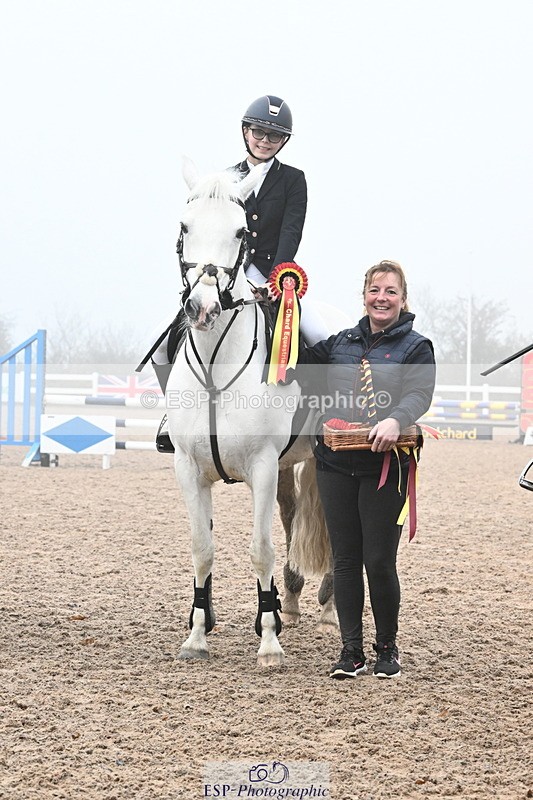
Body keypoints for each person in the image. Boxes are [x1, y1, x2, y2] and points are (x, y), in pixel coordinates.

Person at [149, 94, 328, 451]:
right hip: (226, 279)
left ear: (284, 141)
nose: (265, 140)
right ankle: (174, 414)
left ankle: (321, 417)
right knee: (159, 344)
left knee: (321, 335)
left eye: (274, 136)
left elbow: (291, 231)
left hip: (274, 279)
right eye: (258, 132)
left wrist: (276, 279)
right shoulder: (223, 180)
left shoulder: (293, 180)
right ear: (245, 131)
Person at [298, 260, 436, 679]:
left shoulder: (417, 347)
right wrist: (280, 312)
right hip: (334, 464)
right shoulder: (340, 342)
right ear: (364, 296)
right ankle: (351, 651)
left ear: (402, 299)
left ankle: (387, 649)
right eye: (375, 290)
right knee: (344, 560)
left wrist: (396, 419)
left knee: (378, 561)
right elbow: (297, 364)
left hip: (385, 466)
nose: (382, 298)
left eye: (390, 291)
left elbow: (419, 393)